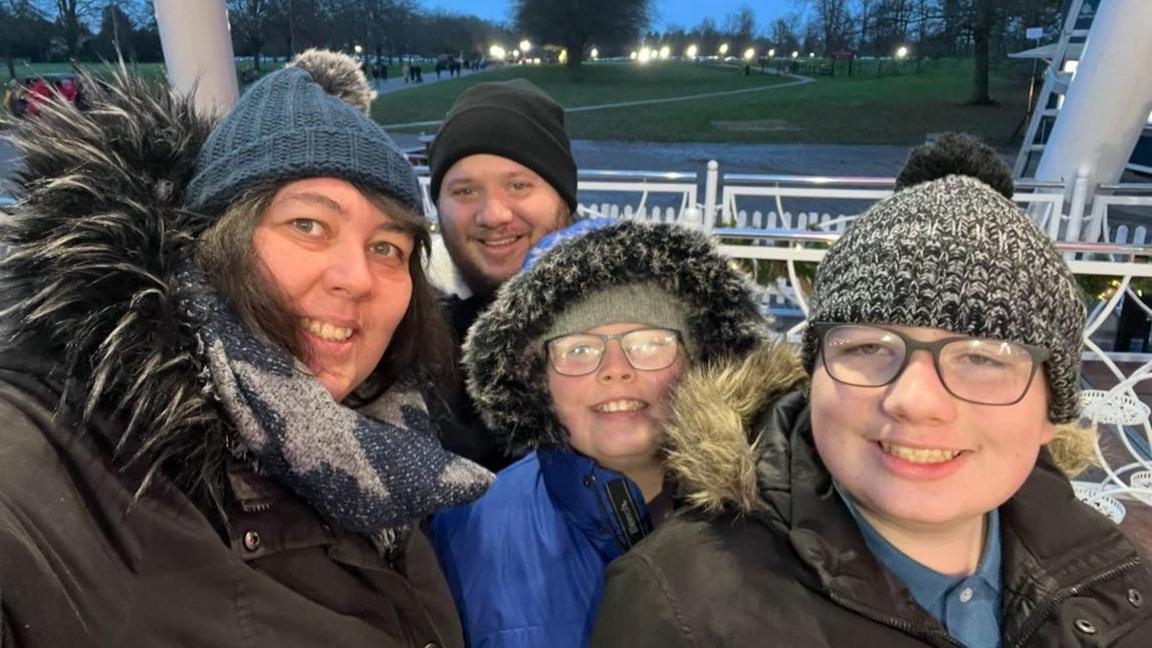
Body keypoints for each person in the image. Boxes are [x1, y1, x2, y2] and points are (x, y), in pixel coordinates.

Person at [0, 49, 492, 646]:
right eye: (309, 225)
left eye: (388, 247)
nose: (358, 278)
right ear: (210, 246)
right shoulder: (51, 463)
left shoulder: (387, 442)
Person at [592, 134, 1152, 646]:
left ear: (1052, 409)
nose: (914, 400)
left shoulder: (1114, 574)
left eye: (982, 358)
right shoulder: (680, 607)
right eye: (867, 348)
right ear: (813, 375)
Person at [431, 220, 773, 646]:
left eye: (649, 343)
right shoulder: (466, 532)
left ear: (698, 359)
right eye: (578, 349)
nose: (615, 369)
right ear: (538, 380)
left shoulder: (773, 515)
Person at [427, 79, 578, 470]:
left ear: (563, 197)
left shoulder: (644, 336)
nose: (493, 214)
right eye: (464, 191)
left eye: (518, 185)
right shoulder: (413, 351)